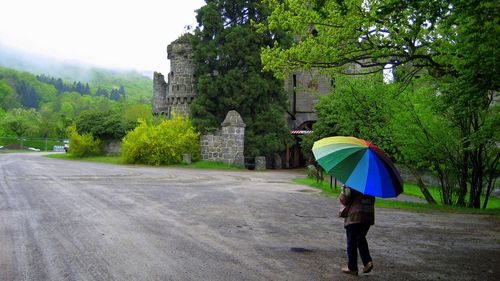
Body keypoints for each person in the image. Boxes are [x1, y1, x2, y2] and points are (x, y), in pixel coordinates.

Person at [339, 184, 375, 276]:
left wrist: (342, 192)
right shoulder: (371, 184)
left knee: (351, 241)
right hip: (367, 215)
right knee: (360, 237)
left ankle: (352, 268)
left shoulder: (352, 183)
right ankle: (367, 261)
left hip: (354, 216)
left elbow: (344, 199)